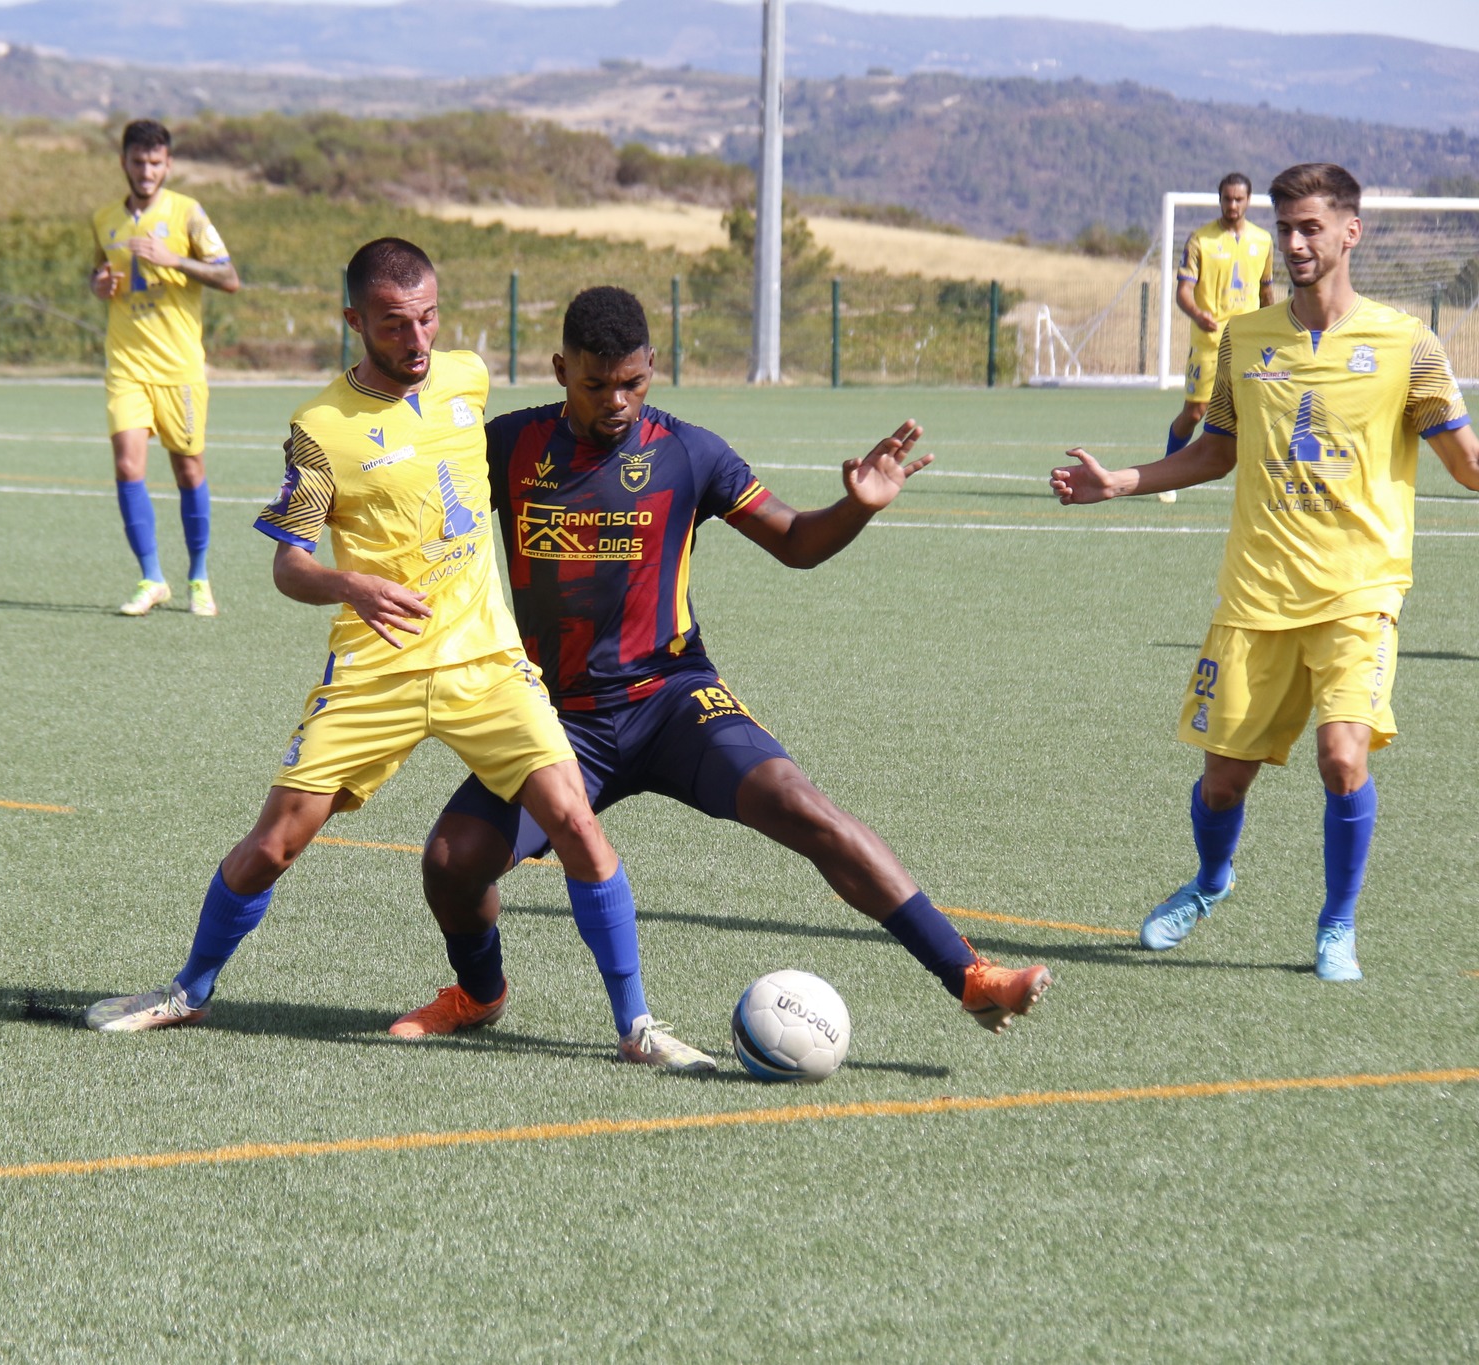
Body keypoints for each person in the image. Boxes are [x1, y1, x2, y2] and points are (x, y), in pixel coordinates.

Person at [85, 241, 719, 1072]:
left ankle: (636, 1025)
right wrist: (352, 586)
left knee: (575, 824)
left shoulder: (467, 380)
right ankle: (188, 989)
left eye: (427, 317)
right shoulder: (318, 429)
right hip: (376, 666)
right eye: (393, 323)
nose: (417, 338)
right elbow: (289, 563)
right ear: (355, 321)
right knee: (276, 841)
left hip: (485, 659)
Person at [392, 287, 1051, 1041]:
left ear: (652, 369)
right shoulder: (508, 445)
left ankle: (969, 974)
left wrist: (857, 507)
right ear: (560, 370)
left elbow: (796, 542)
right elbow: (418, 495)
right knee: (451, 861)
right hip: (555, 718)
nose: (615, 400)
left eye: (632, 382)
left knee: (806, 807)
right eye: (594, 383)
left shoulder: (688, 451)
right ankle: (479, 994)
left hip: (673, 700)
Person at [1050, 162, 1479, 981]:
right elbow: (1216, 450)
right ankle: (1212, 880)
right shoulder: (1247, 339)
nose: (1293, 242)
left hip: (1361, 592)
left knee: (1344, 756)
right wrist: (1122, 483)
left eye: (1310, 226)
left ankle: (1336, 924)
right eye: (1285, 228)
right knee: (1221, 783)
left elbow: (1467, 465)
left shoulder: (1408, 345)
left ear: (1351, 232)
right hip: (1256, 593)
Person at [89, 119, 241, 618]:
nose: (147, 171)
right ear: (124, 162)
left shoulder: (189, 214)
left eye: (156, 162)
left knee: (188, 469)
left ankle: (198, 576)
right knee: (128, 466)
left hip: (178, 369)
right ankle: (151, 577)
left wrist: (172, 258)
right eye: (138, 161)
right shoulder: (104, 218)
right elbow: (101, 271)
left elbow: (229, 277)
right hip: (125, 363)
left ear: (168, 164)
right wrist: (100, 285)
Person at [1163, 173, 1274, 501]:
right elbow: (1183, 292)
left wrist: (1275, 327)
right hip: (1210, 344)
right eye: (1227, 199)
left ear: (1249, 201)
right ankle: (1169, 473)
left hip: (1249, 342)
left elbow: (1266, 292)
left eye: (1239, 199)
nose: (1233, 205)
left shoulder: (1263, 241)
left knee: (1259, 412)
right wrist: (1199, 314)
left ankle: (1262, 485)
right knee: (1195, 413)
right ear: (1220, 199)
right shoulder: (1200, 240)